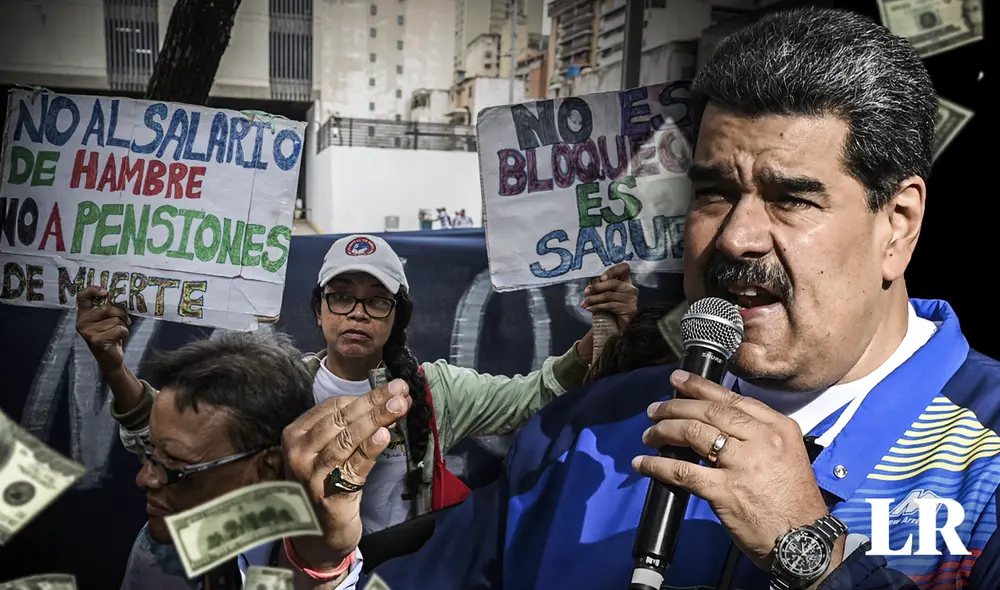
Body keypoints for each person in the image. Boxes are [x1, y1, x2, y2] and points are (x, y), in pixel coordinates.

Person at [277, 7, 1000, 589]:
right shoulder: (584, 431)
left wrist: (814, 555)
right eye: (714, 192)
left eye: (791, 200)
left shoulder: (985, 464)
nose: (737, 238)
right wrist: (326, 563)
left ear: (897, 225)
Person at [76, 236, 638, 573]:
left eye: (376, 301)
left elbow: (536, 394)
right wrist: (112, 363)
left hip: (397, 573)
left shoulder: (432, 390)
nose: (358, 313)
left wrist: (603, 328)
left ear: (396, 315)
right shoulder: (275, 388)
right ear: (319, 310)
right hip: (294, 570)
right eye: (341, 297)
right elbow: (162, 441)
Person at [117, 331, 315, 590]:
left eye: (176, 462)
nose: (144, 478)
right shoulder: (159, 550)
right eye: (152, 451)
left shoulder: (322, 564)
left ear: (266, 469)